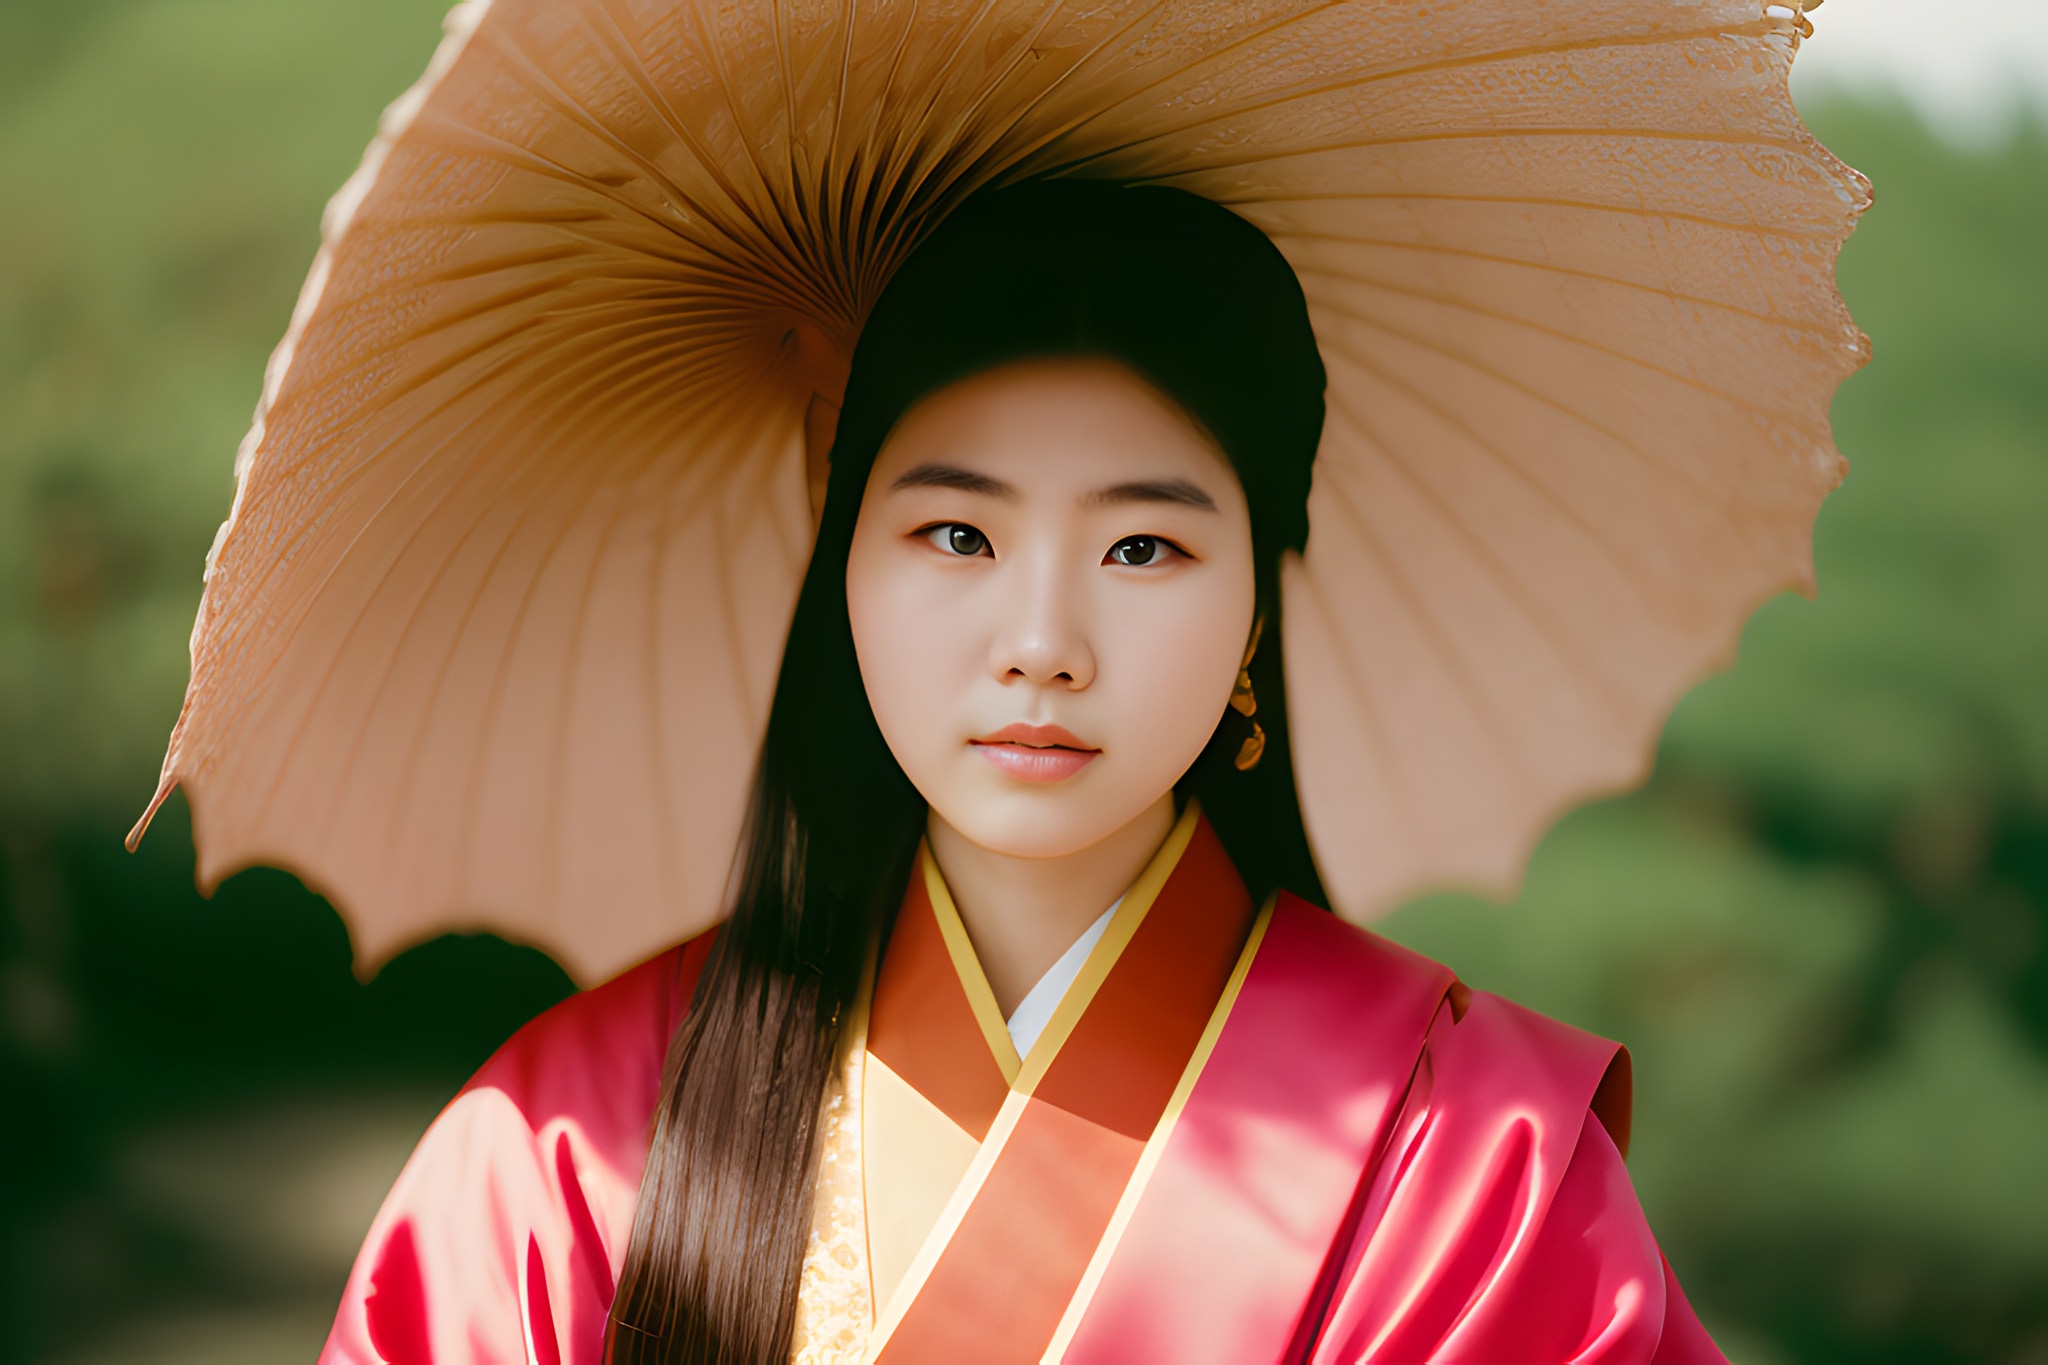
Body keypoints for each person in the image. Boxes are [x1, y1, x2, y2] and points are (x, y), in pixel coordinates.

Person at [315, 181, 1725, 1365]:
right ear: (843, 553)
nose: (1042, 645)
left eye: (1142, 548)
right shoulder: (564, 1152)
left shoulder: (1473, 1168)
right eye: (958, 536)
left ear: (1257, 608)